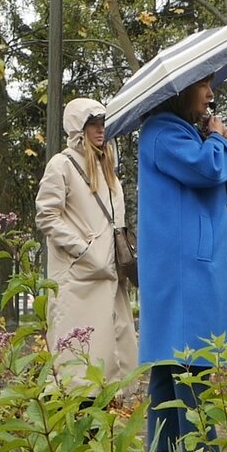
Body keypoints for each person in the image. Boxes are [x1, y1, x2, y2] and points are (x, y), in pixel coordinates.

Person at [137, 76, 227, 452]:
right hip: (183, 273)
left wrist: (215, 140)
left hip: (183, 268)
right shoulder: (163, 133)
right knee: (189, 366)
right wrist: (217, 139)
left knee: (169, 367)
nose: (211, 95)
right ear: (181, 92)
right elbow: (210, 170)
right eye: (204, 86)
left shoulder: (178, 132)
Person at [35, 98, 138, 392]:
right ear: (78, 128)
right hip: (79, 281)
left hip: (109, 276)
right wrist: (83, 250)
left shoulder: (108, 170)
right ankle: (75, 431)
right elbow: (46, 216)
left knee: (106, 367)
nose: (100, 130)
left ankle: (98, 430)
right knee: (76, 371)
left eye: (104, 124)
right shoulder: (62, 165)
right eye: (93, 124)